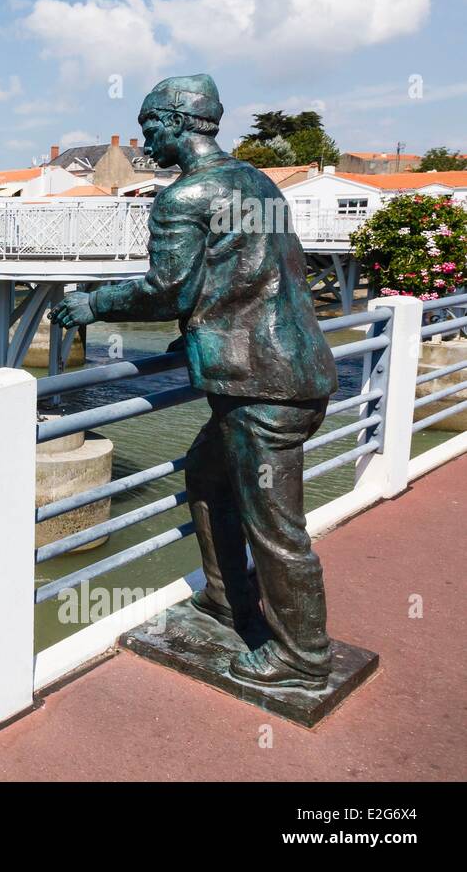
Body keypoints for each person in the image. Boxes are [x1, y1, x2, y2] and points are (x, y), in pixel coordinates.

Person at [50, 74, 339, 690]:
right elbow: (252, 273)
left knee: (275, 525)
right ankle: (227, 599)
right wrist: (204, 330)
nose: (145, 137)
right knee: (207, 474)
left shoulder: (183, 197)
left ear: (177, 121)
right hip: (296, 367)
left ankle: (303, 657)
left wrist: (92, 305)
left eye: (149, 123)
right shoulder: (257, 182)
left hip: (260, 387)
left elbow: (167, 288)